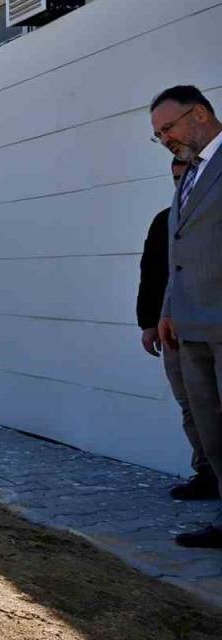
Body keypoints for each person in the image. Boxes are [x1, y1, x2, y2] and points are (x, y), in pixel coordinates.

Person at [152, 85, 222, 548]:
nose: (165, 139)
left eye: (168, 128)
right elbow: (178, 252)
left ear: (198, 115)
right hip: (190, 327)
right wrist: (167, 309)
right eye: (157, 135)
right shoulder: (191, 175)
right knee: (211, 431)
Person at [139, 157, 218, 500]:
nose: (180, 183)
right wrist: (148, 322)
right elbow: (152, 273)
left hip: (209, 328)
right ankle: (205, 471)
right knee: (191, 404)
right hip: (172, 330)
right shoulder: (165, 221)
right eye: (175, 177)